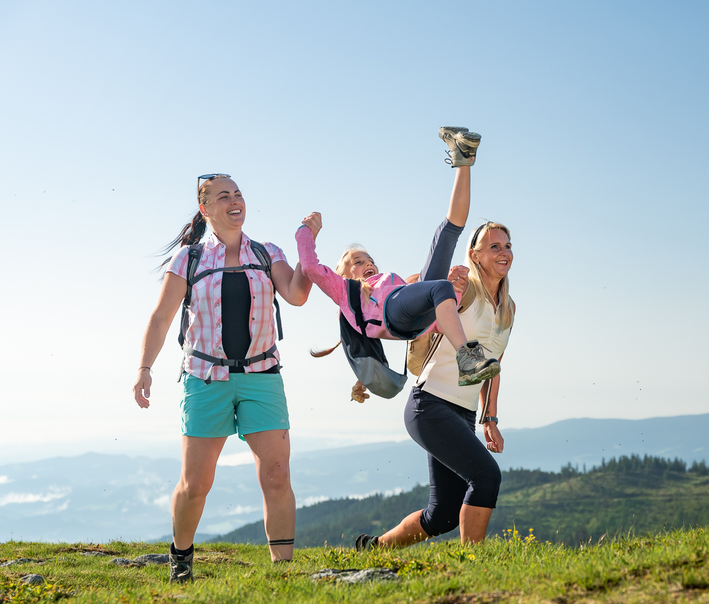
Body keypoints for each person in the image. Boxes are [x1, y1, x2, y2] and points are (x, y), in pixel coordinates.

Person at [132, 174, 312, 583]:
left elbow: (297, 294)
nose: (235, 201)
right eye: (223, 196)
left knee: (277, 474)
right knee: (196, 484)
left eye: (238, 194)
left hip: (262, 375)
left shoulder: (268, 253)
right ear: (205, 209)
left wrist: (307, 244)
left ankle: (282, 575)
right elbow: (161, 318)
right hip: (204, 379)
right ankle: (181, 559)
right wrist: (145, 368)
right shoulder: (189, 259)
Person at [295, 127, 499, 389]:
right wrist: (305, 233)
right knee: (439, 286)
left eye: (369, 259)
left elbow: (439, 323)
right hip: (394, 315)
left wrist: (454, 294)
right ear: (344, 275)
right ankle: (468, 360)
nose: (367, 263)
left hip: (416, 318)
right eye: (357, 262)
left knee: (447, 234)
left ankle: (463, 158)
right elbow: (311, 268)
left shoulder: (394, 283)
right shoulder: (346, 292)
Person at [354, 219, 515, 549]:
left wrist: (490, 418)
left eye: (508, 246)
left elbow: (492, 366)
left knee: (442, 514)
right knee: (486, 477)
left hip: (463, 413)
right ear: (475, 255)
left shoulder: (508, 308)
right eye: (495, 246)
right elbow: (418, 287)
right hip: (429, 405)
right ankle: (474, 564)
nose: (504, 252)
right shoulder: (464, 287)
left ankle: (374, 548)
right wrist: (436, 282)